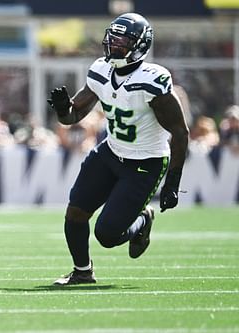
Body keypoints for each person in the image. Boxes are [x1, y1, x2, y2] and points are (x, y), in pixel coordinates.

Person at [47, 13, 189, 285]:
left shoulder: (153, 80)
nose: (113, 45)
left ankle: (143, 220)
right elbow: (72, 118)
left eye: (121, 41)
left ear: (139, 45)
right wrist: (63, 108)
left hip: (145, 162)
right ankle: (82, 272)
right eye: (111, 38)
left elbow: (180, 133)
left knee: (108, 235)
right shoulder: (101, 70)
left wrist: (172, 182)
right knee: (75, 212)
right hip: (111, 151)